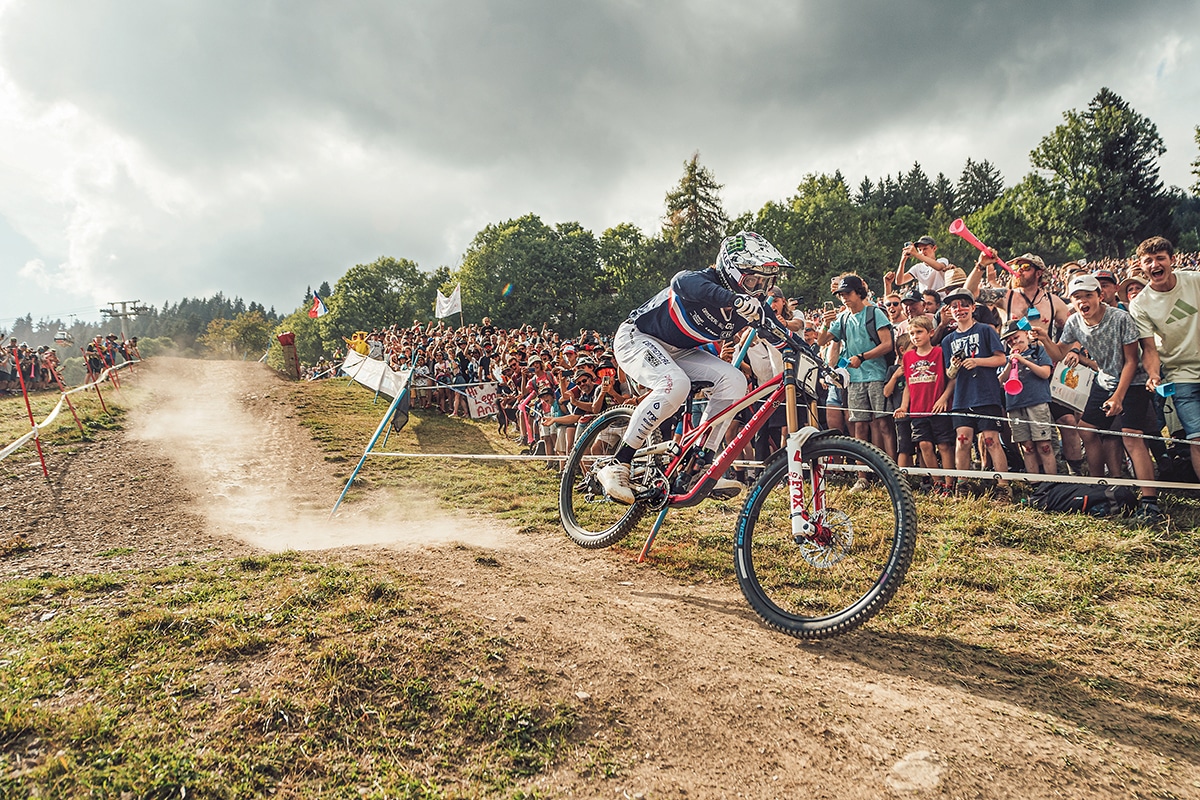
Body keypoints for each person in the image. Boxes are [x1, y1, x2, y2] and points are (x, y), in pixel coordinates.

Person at [597, 231, 789, 505]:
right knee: (676, 384)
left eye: (766, 283)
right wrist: (734, 301)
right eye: (753, 281)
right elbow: (680, 281)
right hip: (638, 336)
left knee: (734, 381)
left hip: (682, 350)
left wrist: (822, 369)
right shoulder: (702, 280)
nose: (758, 290)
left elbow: (783, 337)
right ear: (732, 271)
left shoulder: (752, 304)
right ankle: (618, 463)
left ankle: (697, 466)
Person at [1038, 274, 1162, 525]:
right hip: (1104, 380)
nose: (1083, 301)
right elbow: (1060, 354)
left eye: (1087, 295)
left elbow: (1131, 361)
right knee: (1086, 430)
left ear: (1100, 296)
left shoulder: (1120, 318)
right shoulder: (1074, 322)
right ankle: (1099, 486)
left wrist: (1118, 397)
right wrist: (1044, 340)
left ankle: (1150, 502)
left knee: (1131, 436)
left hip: (1133, 381)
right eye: (1077, 297)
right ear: (1071, 301)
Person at [1130, 235, 1200, 483]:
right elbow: (1149, 348)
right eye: (1148, 261)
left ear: (1172, 260)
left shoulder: (1195, 280)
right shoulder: (1140, 304)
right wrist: (1154, 375)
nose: (1154, 265)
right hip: (1181, 374)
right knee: (1197, 438)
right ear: (1142, 266)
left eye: (1160, 258)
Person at [936, 287, 1012, 500]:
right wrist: (954, 366)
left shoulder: (985, 330)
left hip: (986, 394)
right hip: (962, 397)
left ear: (972, 307)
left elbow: (1001, 359)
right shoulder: (947, 340)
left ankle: (1003, 487)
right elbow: (950, 374)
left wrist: (977, 361)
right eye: (954, 306)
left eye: (963, 305)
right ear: (950, 311)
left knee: (991, 440)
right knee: (962, 440)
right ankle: (963, 486)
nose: (959, 309)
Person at [818, 273, 896, 472]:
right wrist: (825, 323)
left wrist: (862, 357)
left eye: (847, 292)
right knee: (859, 426)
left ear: (858, 292)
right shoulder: (843, 317)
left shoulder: (875, 313)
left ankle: (890, 470)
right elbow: (821, 341)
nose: (844, 297)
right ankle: (863, 474)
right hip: (854, 379)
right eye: (841, 293)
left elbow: (888, 344)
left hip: (877, 375)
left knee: (883, 424)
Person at [895, 314, 955, 494]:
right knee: (924, 445)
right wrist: (904, 406)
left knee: (944, 445)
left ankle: (950, 482)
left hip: (938, 408)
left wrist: (944, 398)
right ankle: (937, 482)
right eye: (912, 333)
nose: (915, 336)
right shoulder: (908, 357)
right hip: (917, 410)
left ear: (930, 333)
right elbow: (908, 384)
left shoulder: (939, 352)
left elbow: (951, 378)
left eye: (919, 332)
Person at [998, 321, 1057, 477]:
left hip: (1037, 402)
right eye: (1009, 341)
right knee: (1027, 447)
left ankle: (1052, 484)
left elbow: (1045, 373)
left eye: (1016, 337)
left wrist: (1024, 361)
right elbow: (999, 381)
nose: (1013, 342)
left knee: (1044, 445)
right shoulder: (1006, 358)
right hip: (1015, 405)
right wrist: (1010, 365)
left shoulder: (1038, 350)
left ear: (1025, 333)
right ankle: (1035, 483)